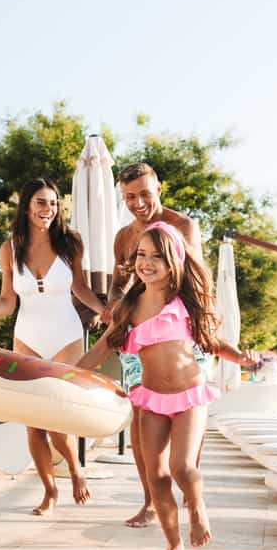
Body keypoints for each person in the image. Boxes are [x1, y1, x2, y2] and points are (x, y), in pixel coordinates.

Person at [79, 222, 251, 550]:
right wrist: (64, 374)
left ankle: (197, 505)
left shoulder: (185, 302)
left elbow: (211, 341)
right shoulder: (130, 306)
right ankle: (173, 545)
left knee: (182, 467)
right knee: (155, 475)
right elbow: (99, 350)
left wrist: (240, 358)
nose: (147, 262)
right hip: (152, 399)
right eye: (141, 255)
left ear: (173, 260)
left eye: (157, 256)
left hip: (190, 396)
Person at [105, 162, 254, 528]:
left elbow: (196, 275)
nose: (138, 202)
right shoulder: (124, 237)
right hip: (142, 335)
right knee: (142, 432)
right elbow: (116, 284)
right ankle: (151, 502)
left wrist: (205, 319)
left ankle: (191, 498)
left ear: (159, 190)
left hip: (180, 330)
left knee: (188, 423)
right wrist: (114, 303)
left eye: (144, 194)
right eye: (129, 197)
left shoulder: (182, 225)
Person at [0, 178, 107, 515]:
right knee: (33, 421)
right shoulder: (10, 249)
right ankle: (50, 491)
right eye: (40, 202)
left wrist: (106, 311)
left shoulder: (71, 244)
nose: (47, 209)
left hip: (67, 335)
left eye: (52, 203)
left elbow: (80, 289)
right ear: (27, 205)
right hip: (27, 337)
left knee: (57, 415)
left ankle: (76, 469)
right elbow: (6, 303)